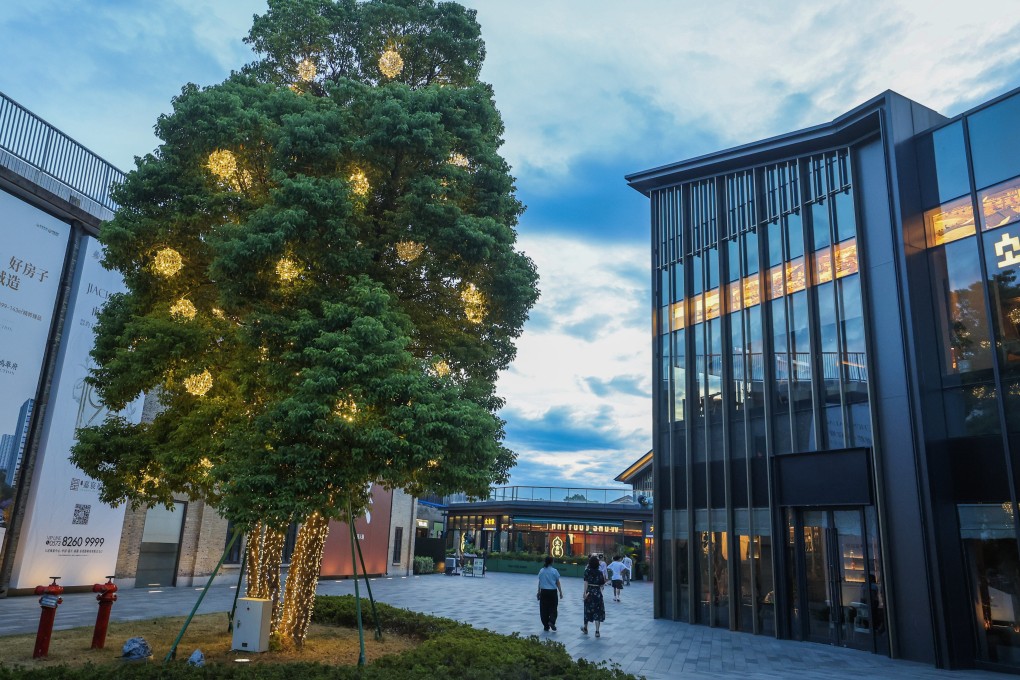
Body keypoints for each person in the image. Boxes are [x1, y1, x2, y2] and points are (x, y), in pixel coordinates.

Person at [581, 554, 607, 637]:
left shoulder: (587, 571)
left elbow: (585, 582)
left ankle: (585, 628)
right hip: (597, 593)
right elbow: (602, 584)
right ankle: (597, 631)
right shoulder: (600, 573)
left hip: (589, 592)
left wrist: (584, 592)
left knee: (587, 610)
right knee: (597, 612)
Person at [536, 555, 564, 631]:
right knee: (553, 608)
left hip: (544, 591)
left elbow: (540, 582)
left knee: (543, 609)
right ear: (552, 562)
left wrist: (538, 592)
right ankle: (551, 621)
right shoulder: (554, 571)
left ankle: (545, 625)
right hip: (552, 592)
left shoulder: (541, 571)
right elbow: (558, 583)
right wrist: (560, 592)